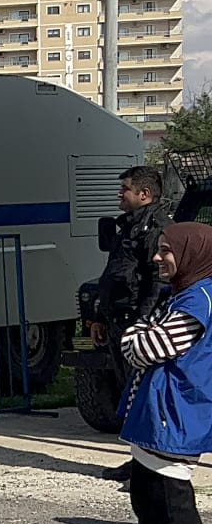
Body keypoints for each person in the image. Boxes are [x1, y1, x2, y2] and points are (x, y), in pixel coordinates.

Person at [111, 222, 212, 524]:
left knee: (172, 503)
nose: (158, 257)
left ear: (192, 253)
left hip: (178, 412)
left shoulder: (198, 300)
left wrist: (135, 330)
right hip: (161, 411)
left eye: (167, 251)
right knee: (147, 497)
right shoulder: (184, 293)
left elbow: (147, 347)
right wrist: (141, 331)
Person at [96, 165, 171, 483]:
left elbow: (156, 282)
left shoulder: (156, 227)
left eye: (124, 188)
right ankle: (137, 461)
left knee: (144, 395)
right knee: (130, 395)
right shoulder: (127, 226)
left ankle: (151, 465)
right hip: (117, 318)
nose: (119, 193)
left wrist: (143, 325)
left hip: (136, 323)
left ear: (145, 194)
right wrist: (99, 315)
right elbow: (114, 272)